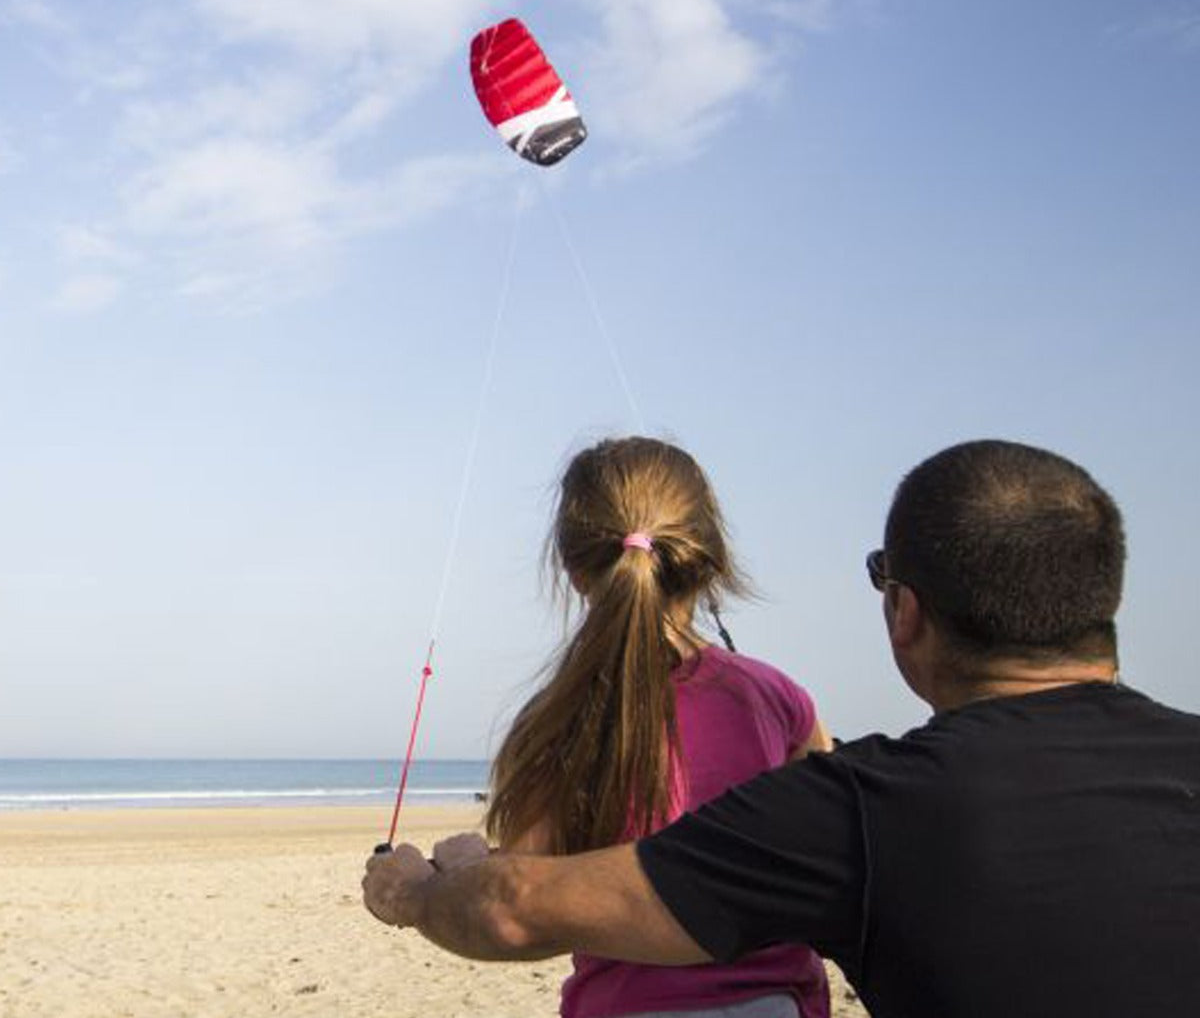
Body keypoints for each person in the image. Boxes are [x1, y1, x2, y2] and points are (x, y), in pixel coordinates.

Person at [364, 439, 1200, 1018]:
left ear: (903, 610)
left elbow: (519, 904)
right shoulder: (792, 716)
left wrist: (429, 884)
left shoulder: (861, 813)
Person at [485, 436, 831, 1017]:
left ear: (573, 571)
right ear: (708, 559)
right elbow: (820, 838)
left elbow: (526, 900)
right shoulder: (779, 696)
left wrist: (450, 874)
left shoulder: (558, 718)